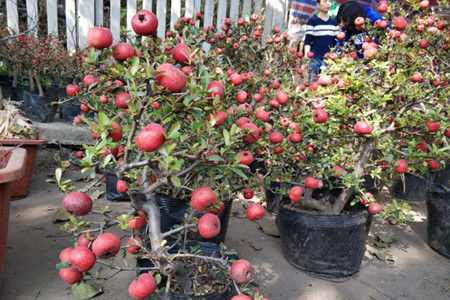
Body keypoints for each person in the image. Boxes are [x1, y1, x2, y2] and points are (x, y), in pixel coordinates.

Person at [303, 0, 340, 80]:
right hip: (315, 59)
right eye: (324, 1)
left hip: (329, 60)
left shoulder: (334, 22)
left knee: (327, 84)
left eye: (329, 2)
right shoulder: (312, 21)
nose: (328, 3)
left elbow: (336, 42)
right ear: (318, 5)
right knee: (312, 82)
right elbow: (308, 40)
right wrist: (306, 54)